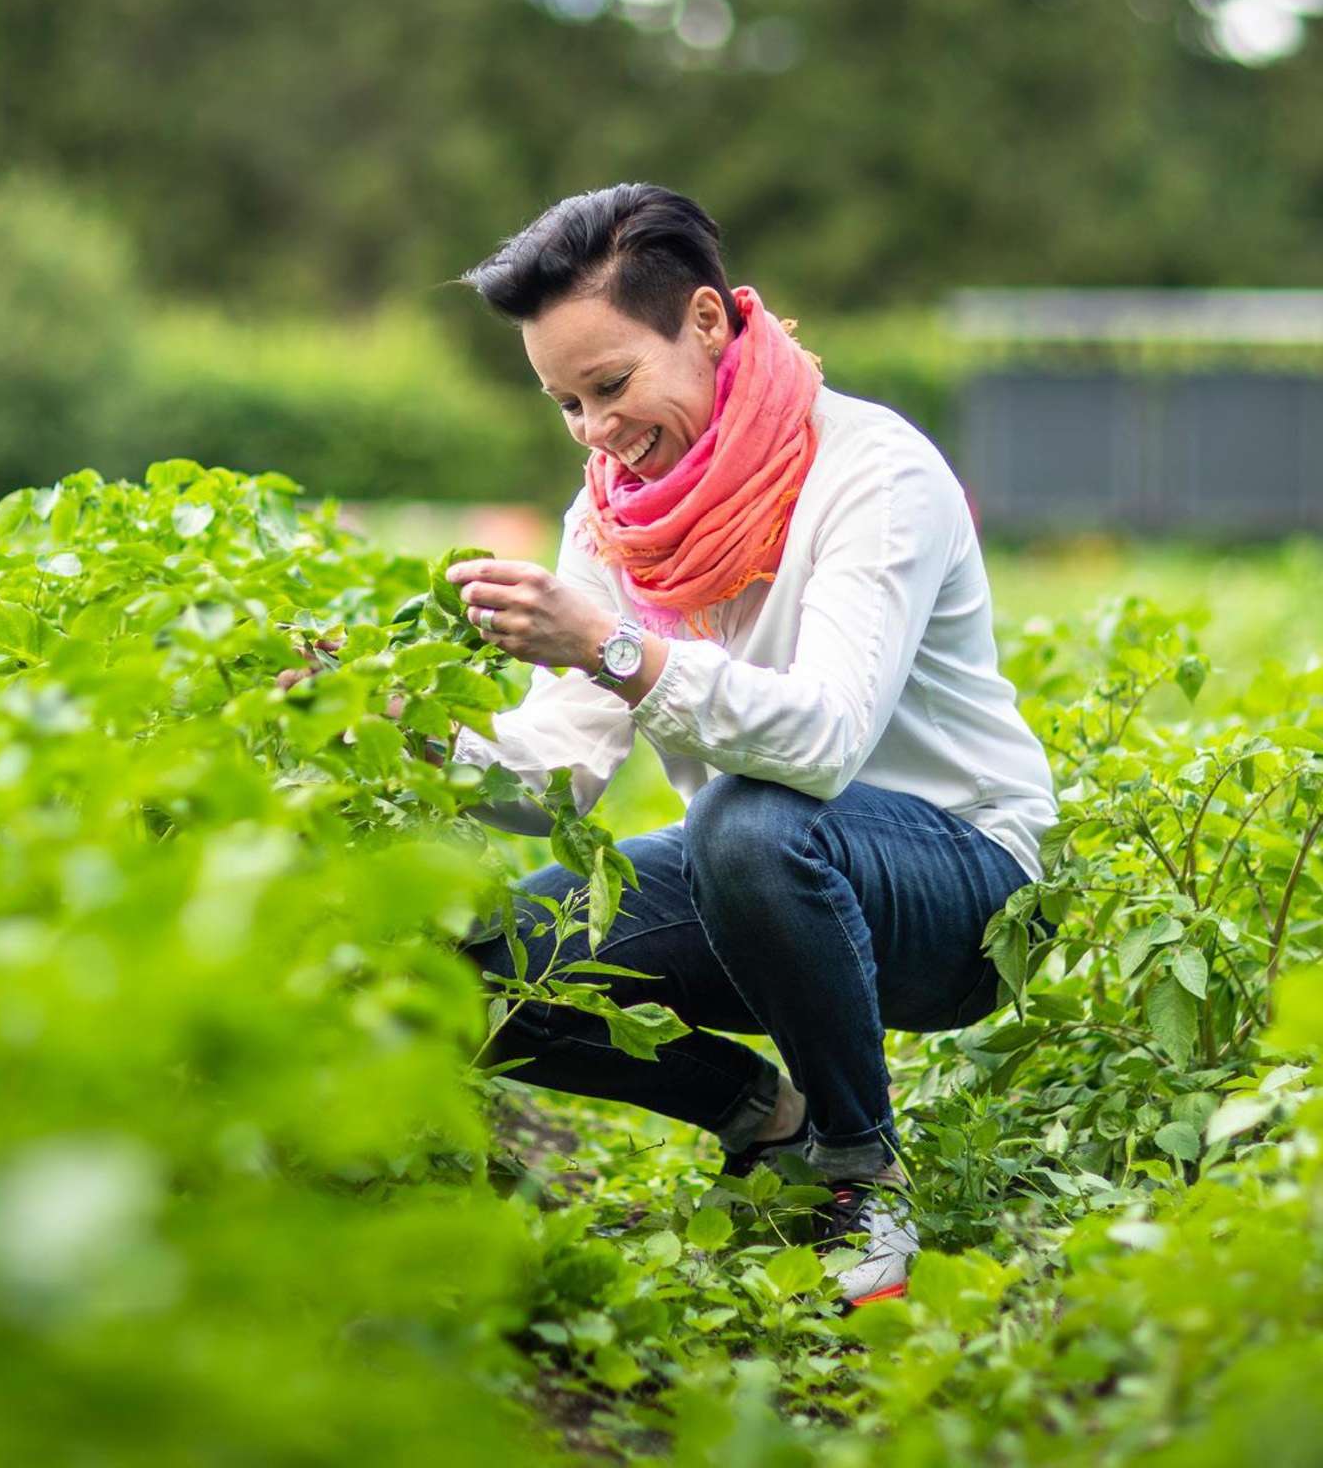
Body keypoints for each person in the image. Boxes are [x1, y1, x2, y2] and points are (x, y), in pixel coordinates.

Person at [443, 183, 1058, 1306]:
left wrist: (611, 645)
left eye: (612, 385)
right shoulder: (613, 519)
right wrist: (404, 731)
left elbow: (822, 741)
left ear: (709, 323)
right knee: (466, 972)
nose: (594, 431)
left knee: (747, 818)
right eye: (565, 403)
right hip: (760, 876)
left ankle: (856, 1172)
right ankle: (759, 1118)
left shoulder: (871, 472)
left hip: (962, 891)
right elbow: (565, 770)